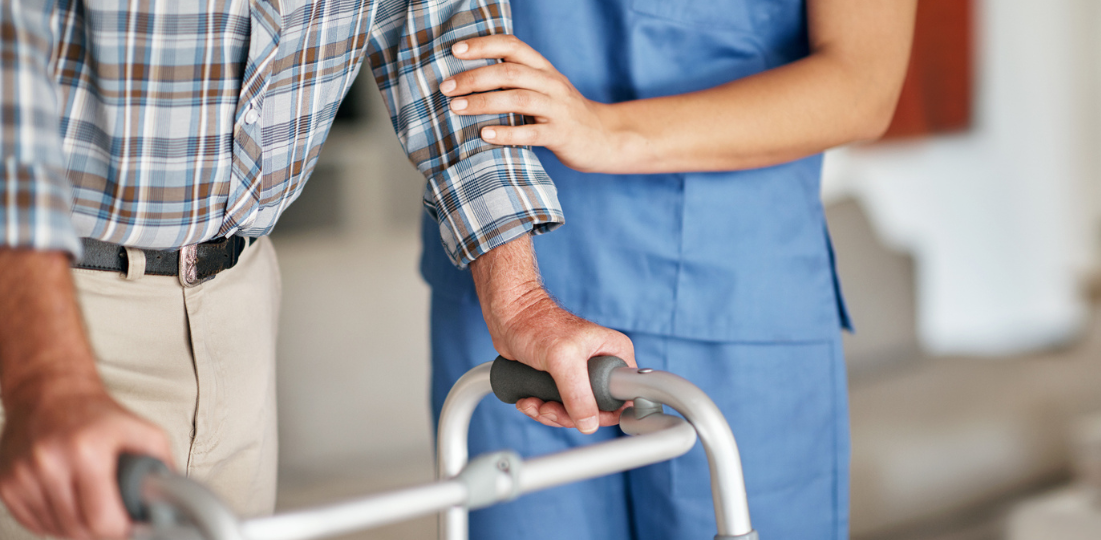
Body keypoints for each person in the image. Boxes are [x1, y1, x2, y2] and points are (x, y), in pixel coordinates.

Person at [0, 1, 632, 539]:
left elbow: (445, 40)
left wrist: (521, 302)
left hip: (238, 303)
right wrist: (43, 375)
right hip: (43, 302)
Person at [422, 0, 917, 538]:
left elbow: (863, 84)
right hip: (502, 283)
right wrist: (512, 291)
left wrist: (609, 131)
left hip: (729, 295)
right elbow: (426, 33)